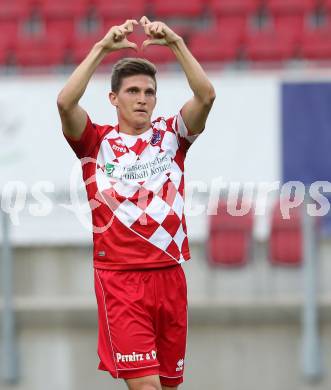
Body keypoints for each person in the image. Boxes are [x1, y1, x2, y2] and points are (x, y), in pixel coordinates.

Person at [57, 16, 215, 390]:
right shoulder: (95, 142)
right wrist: (100, 50)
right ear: (113, 98)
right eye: (132, 91)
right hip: (121, 280)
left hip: (171, 276)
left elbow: (206, 96)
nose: (142, 99)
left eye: (149, 92)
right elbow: (65, 103)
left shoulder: (172, 137)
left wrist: (176, 43)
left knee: (168, 386)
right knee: (146, 387)